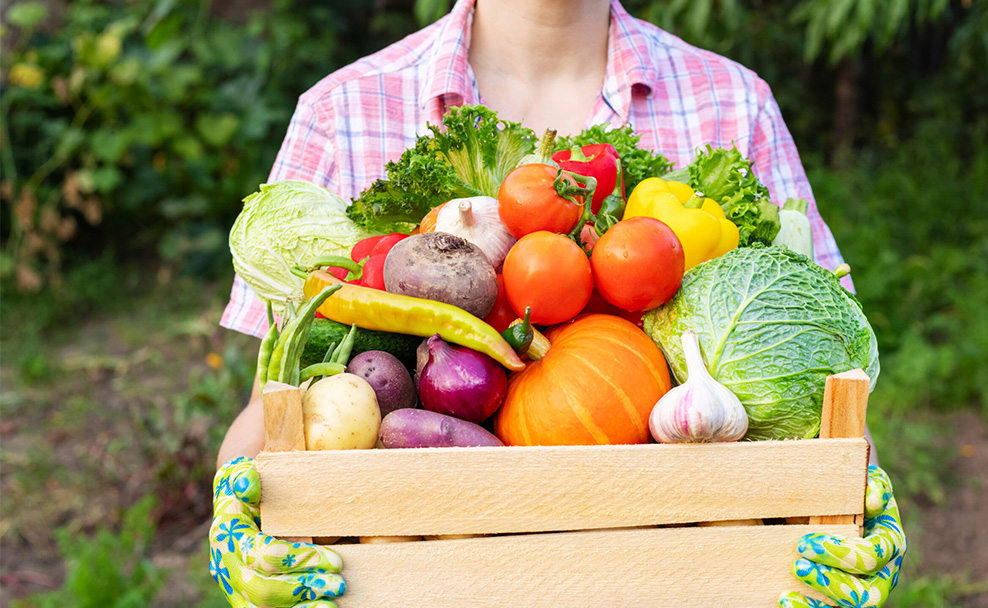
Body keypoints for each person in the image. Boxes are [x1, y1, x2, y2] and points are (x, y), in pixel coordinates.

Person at [209, 1, 905, 606]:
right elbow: (272, 406)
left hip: (678, 581)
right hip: (427, 583)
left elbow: (825, 385)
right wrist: (238, 508)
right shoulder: (343, 111)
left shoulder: (734, 103)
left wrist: (854, 500)